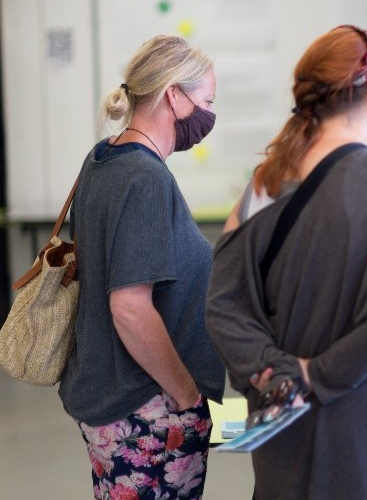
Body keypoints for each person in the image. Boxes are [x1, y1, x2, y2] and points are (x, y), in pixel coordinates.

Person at [205, 25, 367, 499]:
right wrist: (317, 373)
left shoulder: (263, 187)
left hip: (287, 441)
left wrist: (277, 371)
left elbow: (223, 307)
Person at [58, 34, 226, 500]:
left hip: (110, 398)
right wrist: (188, 396)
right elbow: (130, 309)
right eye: (207, 100)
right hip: (145, 411)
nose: (210, 114)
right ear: (174, 95)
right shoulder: (145, 178)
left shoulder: (102, 158)